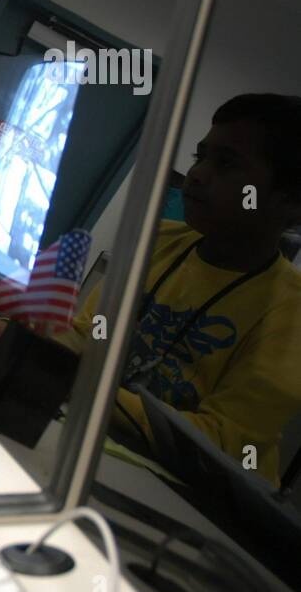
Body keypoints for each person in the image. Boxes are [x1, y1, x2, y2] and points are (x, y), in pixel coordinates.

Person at [60, 93, 301, 488]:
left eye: (226, 164)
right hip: (110, 448)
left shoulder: (289, 311)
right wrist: (25, 339)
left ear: (291, 203)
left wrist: (73, 378)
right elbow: (88, 334)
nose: (198, 175)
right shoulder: (158, 241)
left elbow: (219, 442)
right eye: (199, 156)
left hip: (198, 500)